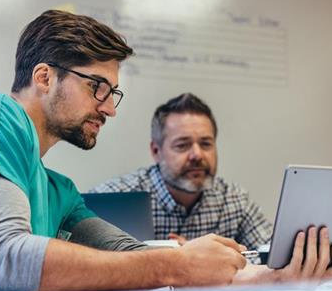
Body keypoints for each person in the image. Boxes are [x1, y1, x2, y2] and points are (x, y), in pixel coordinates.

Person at [0, 9, 332, 291]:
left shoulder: (57, 190)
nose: (110, 107)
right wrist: (180, 265)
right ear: (44, 77)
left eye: (113, 92)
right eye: (97, 86)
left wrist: (265, 277)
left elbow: (129, 254)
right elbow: (1, 261)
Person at [91, 93, 271, 251]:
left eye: (206, 144)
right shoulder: (113, 198)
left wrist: (213, 258)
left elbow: (273, 259)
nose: (197, 155)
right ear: (156, 151)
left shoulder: (234, 199)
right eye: (182, 145)